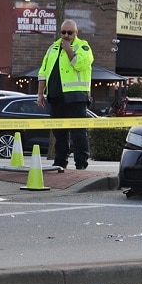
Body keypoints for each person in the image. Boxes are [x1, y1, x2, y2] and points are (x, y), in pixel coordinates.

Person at [36, 19, 93, 170]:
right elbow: (43, 72)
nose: (66, 35)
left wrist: (68, 49)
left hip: (76, 97)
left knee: (78, 132)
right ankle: (60, 162)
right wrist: (40, 94)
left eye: (70, 32)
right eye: (63, 32)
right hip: (55, 97)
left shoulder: (83, 47)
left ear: (76, 33)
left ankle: (81, 163)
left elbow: (80, 64)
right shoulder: (53, 48)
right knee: (59, 132)